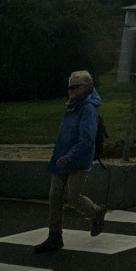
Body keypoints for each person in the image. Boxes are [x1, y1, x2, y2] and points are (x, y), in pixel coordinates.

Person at [33, 70, 107, 253]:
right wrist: (59, 156)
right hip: (61, 159)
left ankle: (95, 212)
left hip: (78, 160)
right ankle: (54, 236)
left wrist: (70, 156)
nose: (71, 90)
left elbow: (86, 139)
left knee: (72, 197)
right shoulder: (72, 106)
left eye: (76, 86)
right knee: (55, 196)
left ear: (87, 88)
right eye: (69, 87)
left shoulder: (87, 109)